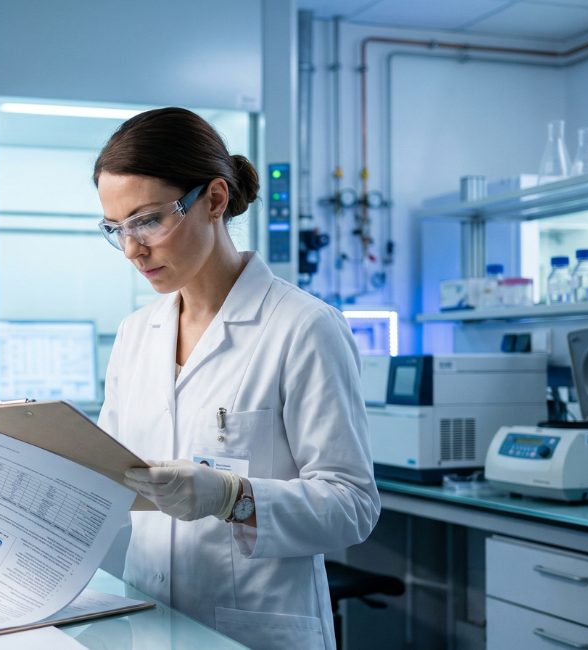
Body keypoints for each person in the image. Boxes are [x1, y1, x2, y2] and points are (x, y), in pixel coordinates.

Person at [95, 107, 380, 650]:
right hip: (149, 624)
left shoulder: (303, 327)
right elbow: (114, 475)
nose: (132, 249)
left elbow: (353, 505)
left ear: (215, 200)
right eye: (116, 229)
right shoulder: (136, 334)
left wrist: (233, 497)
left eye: (147, 220)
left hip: (256, 630)